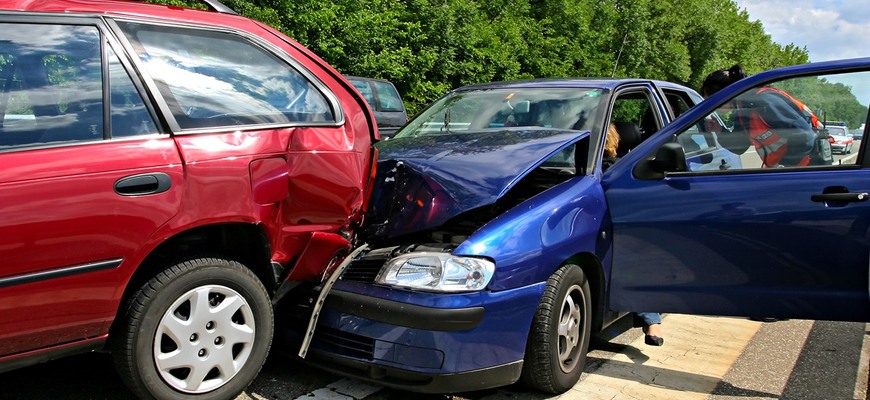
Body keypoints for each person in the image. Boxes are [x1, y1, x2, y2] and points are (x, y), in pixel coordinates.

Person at [701, 64, 823, 168]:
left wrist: (785, 167)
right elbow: (740, 147)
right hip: (788, 171)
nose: (713, 107)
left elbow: (805, 136)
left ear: (725, 94)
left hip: (807, 170)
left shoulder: (764, 102)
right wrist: (719, 130)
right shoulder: (744, 111)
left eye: (713, 101)